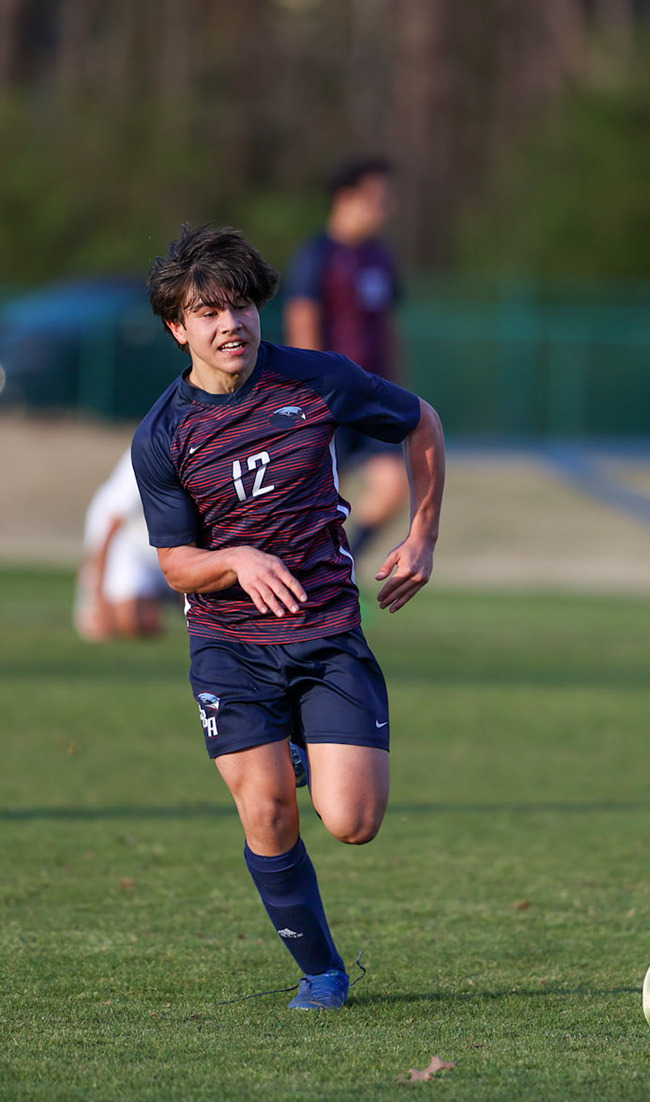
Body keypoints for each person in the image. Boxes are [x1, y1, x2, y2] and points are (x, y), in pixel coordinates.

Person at [131, 225, 444, 1010]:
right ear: (179, 328)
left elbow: (423, 425)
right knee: (268, 809)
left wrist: (423, 536)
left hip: (326, 632)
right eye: (207, 313)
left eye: (239, 307)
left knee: (354, 821)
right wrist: (235, 559)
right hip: (229, 644)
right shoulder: (163, 435)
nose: (229, 325)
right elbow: (176, 564)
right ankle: (322, 973)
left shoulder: (318, 382)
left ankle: (300, 750)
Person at [284, 156, 407, 551]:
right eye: (376, 198)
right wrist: (314, 395)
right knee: (311, 506)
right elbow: (302, 322)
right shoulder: (318, 255)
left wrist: (398, 389)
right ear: (345, 198)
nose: (385, 208)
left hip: (372, 397)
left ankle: (344, 566)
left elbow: (388, 327)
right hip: (329, 401)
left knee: (393, 488)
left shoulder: (381, 258)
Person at [74, 447, 170, 641]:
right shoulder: (147, 456)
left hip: (158, 542)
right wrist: (99, 596)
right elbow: (109, 530)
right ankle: (94, 583)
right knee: (130, 625)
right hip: (127, 543)